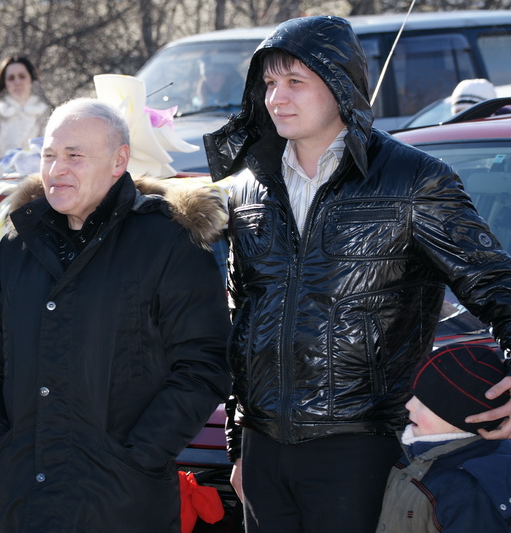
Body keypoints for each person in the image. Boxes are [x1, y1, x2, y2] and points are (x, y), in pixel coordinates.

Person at [202, 15, 511, 533]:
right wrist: (239, 446)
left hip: (365, 446)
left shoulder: (414, 180)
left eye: (295, 81)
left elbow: (497, 284)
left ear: (340, 84)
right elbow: (244, 320)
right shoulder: (247, 187)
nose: (277, 97)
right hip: (263, 451)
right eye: (269, 83)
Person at [0, 98, 231, 532]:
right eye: (49, 155)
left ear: (118, 161)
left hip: (121, 501)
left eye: (74, 156)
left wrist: (139, 455)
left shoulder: (166, 243)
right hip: (19, 498)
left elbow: (204, 363)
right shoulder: (18, 247)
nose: (56, 169)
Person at [376, 343, 511, 532]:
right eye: (414, 395)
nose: (409, 405)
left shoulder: (468, 491)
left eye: (424, 402)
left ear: (461, 418)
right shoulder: (415, 453)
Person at [0, 56, 50, 161]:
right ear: (5, 83)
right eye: (11, 78)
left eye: (22, 76)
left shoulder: (46, 113)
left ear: (31, 79)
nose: (17, 82)